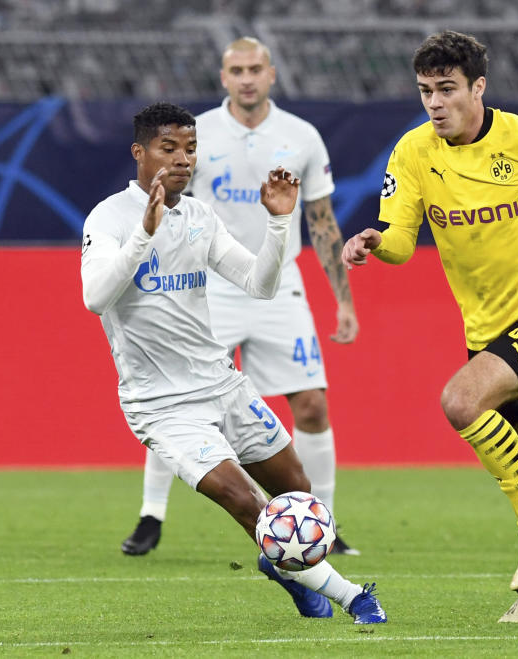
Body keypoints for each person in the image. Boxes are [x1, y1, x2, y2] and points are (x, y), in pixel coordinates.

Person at [342, 31, 518, 623]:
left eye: (447, 90)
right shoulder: (412, 152)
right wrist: (377, 242)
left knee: (460, 400)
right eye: (425, 92)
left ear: (478, 87)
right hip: (487, 332)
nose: (434, 103)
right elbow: (401, 240)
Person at [82, 101, 385, 623]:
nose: (182, 159)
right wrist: (144, 234)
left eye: (191, 149)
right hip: (161, 404)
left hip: (222, 386)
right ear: (140, 152)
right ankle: (353, 596)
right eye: (168, 148)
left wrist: (279, 222)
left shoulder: (200, 215)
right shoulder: (109, 218)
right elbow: (95, 297)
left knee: (297, 491)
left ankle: (280, 567)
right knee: (244, 500)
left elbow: (259, 284)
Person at [120, 37, 361, 558]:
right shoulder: (195, 135)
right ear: (224, 77)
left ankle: (325, 523)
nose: (247, 77)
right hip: (208, 288)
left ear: (272, 74)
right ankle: (150, 516)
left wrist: (342, 300)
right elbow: (164, 204)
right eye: (237, 70)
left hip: (280, 285)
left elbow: (321, 222)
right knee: (179, 401)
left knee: (313, 404)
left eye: (256, 68)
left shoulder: (302, 136)